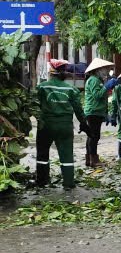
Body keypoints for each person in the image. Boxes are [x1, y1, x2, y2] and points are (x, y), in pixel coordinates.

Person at [34, 59, 89, 189]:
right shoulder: (71, 89)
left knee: (42, 153)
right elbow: (78, 109)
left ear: (51, 73)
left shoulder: (42, 87)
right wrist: (84, 123)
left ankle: (42, 181)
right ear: (63, 74)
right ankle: (68, 183)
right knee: (66, 154)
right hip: (65, 125)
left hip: (45, 125)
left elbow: (35, 105)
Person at [82, 57, 113, 167]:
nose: (106, 71)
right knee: (94, 136)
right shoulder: (94, 80)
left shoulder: (97, 80)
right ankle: (93, 159)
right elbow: (97, 95)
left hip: (96, 111)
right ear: (98, 69)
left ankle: (89, 158)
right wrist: (106, 87)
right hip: (93, 112)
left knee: (92, 136)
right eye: (104, 69)